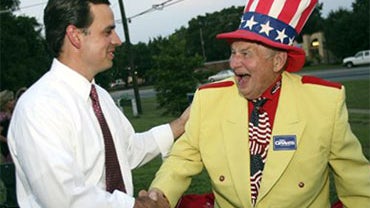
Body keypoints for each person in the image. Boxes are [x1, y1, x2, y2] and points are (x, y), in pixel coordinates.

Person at [148, 0, 370, 207]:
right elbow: (183, 157)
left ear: (277, 61)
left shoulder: (323, 102)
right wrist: (161, 194)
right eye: (233, 52)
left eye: (246, 53)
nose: (234, 63)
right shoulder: (208, 99)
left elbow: (357, 185)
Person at [7, 0, 188, 207]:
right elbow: (64, 198)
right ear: (75, 36)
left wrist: (180, 124)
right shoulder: (39, 107)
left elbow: (127, 150)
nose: (117, 40)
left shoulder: (100, 96)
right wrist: (136, 206)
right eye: (107, 32)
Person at [0, 90, 15, 163]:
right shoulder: (2, 117)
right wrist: (8, 140)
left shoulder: (12, 113)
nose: (13, 102)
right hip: (7, 150)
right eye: (11, 100)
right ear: (5, 102)